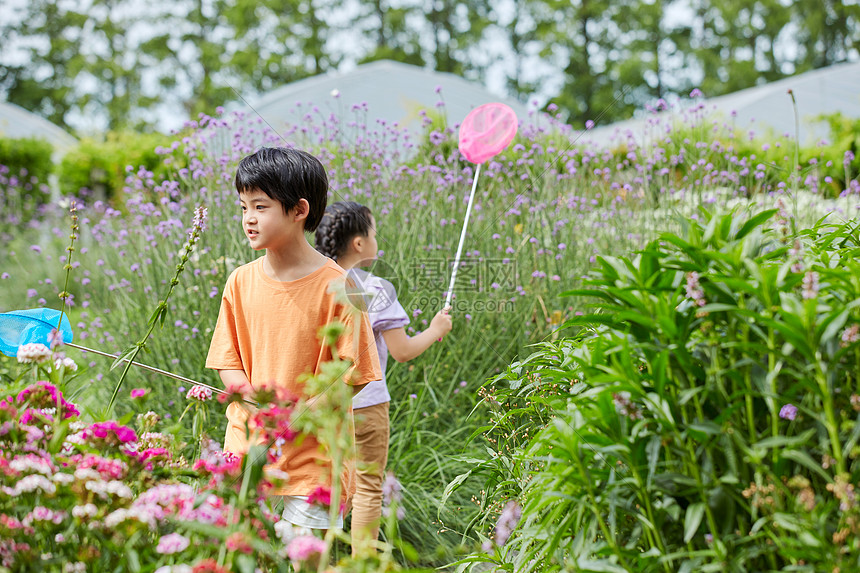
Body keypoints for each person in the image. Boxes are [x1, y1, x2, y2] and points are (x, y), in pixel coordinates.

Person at [206, 148, 383, 532]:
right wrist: (256, 407)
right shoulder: (240, 281)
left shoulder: (341, 286)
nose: (249, 220)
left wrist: (299, 417)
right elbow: (227, 359)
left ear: (299, 210)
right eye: (243, 207)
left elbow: (354, 374)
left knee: (301, 559)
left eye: (261, 206)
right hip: (246, 451)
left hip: (314, 461)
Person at [314, 201, 453, 555]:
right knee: (368, 486)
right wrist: (436, 329)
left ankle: (312, 556)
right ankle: (362, 561)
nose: (378, 239)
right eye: (374, 233)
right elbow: (403, 350)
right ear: (359, 243)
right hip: (367, 403)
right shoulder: (376, 289)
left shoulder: (313, 284)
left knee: (319, 483)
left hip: (320, 406)